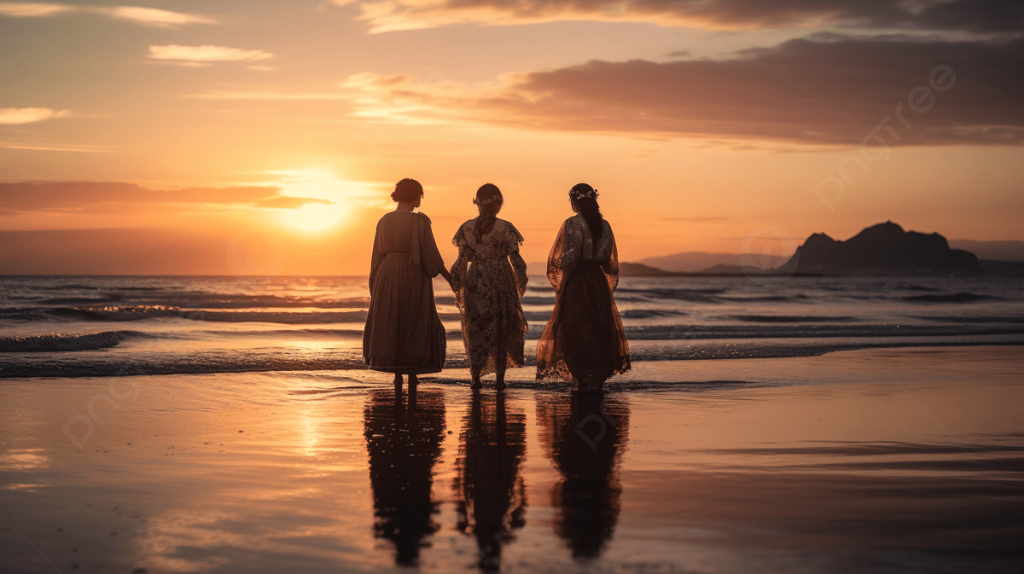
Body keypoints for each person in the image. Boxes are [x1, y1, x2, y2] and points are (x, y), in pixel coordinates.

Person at [536, 183, 630, 391]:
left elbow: (568, 260)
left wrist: (562, 288)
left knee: (574, 330)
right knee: (598, 329)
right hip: (597, 282)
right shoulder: (604, 225)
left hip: (578, 281)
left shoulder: (572, 224)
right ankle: (594, 380)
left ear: (575, 201)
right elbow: (609, 264)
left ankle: (580, 379)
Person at [363, 178, 453, 389]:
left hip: (387, 273)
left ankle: (397, 375)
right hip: (412, 274)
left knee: (392, 322)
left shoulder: (383, 220)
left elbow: (376, 255)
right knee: (414, 322)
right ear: (415, 195)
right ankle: (412, 374)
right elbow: (432, 256)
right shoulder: (419, 221)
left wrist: (374, 282)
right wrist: (451, 280)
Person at [451, 183, 529, 391]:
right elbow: (516, 260)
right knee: (501, 328)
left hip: (476, 279)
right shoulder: (506, 227)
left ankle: (475, 377)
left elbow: (461, 261)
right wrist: (520, 282)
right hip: (501, 278)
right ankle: (500, 379)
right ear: (498, 203)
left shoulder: (466, 228)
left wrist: (459, 286)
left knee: (477, 327)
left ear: (478, 203)